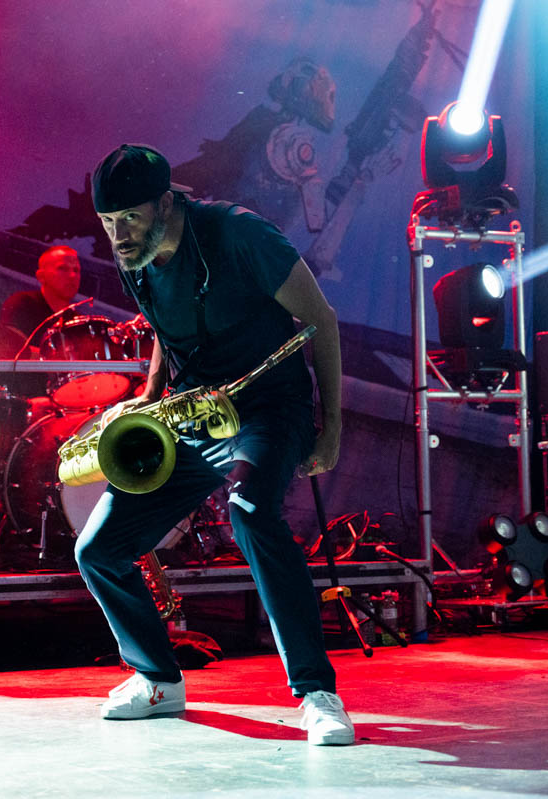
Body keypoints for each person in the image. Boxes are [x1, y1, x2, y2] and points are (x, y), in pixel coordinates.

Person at [74, 144, 352, 745]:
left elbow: (322, 321)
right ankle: (157, 679)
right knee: (97, 549)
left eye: (130, 218)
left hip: (268, 407)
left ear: (165, 203)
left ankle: (316, 692)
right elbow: (161, 325)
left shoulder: (239, 234)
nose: (119, 235)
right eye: (108, 222)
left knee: (249, 512)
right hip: (195, 414)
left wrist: (331, 428)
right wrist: (150, 394)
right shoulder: (134, 254)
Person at [0, 244, 83, 342]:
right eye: (62, 268)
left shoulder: (78, 322)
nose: (72, 275)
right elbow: (9, 346)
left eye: (76, 270)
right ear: (41, 277)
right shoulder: (22, 304)